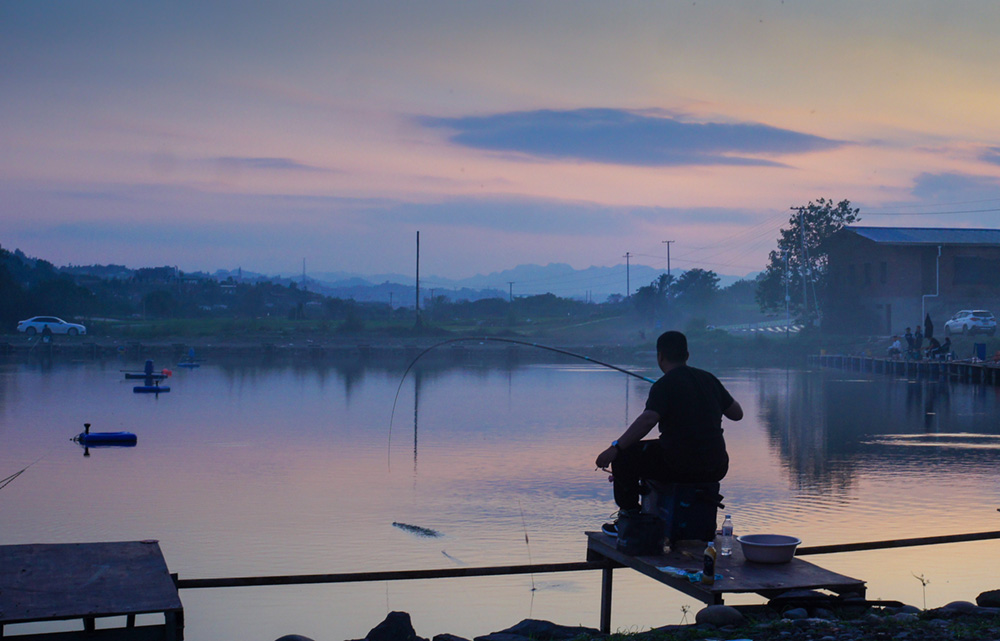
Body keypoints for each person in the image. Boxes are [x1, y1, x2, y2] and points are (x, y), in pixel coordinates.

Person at [595, 331, 743, 536]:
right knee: (651, 452)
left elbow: (648, 419)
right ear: (687, 355)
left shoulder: (664, 385)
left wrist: (615, 447)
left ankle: (628, 518)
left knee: (625, 455)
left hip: (680, 464)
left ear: (660, 356)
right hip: (715, 465)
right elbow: (737, 414)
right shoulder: (709, 379)